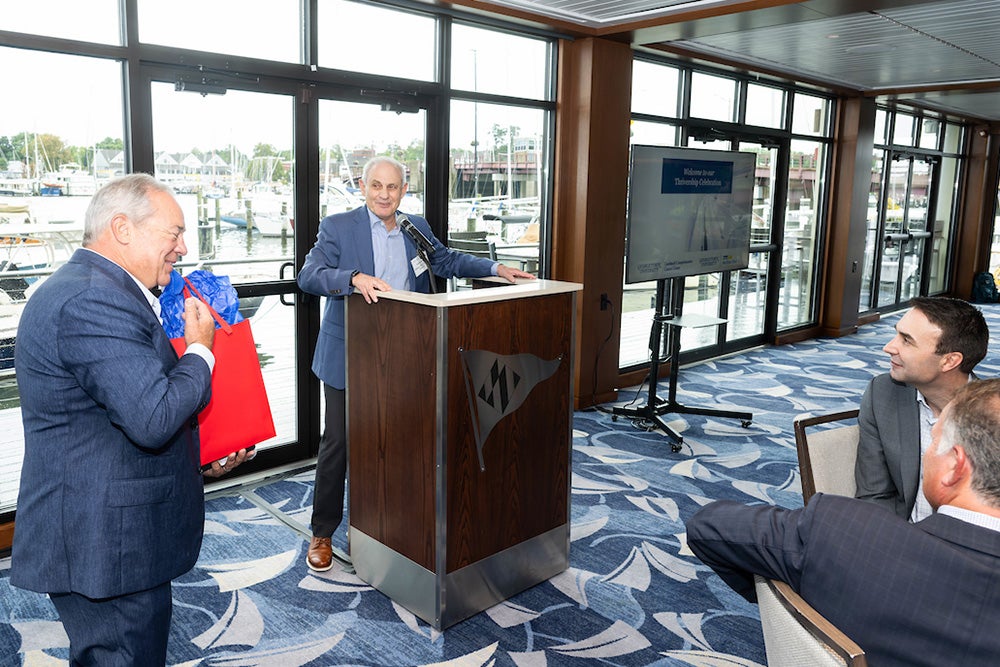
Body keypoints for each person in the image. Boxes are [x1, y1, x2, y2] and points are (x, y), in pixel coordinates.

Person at [11, 174, 252, 666]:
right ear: (122, 228)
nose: (184, 247)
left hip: (109, 525)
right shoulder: (92, 300)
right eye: (174, 233)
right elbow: (151, 415)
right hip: (106, 541)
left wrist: (200, 462)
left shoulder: (95, 287)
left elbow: (112, 416)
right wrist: (203, 350)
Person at [297, 156, 535, 572]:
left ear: (404, 190)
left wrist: (496, 268)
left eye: (392, 187)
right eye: (376, 186)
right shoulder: (338, 226)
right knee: (340, 444)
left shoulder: (415, 226)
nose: (384, 195)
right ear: (363, 187)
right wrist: (352, 278)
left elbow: (446, 261)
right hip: (348, 356)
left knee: (399, 444)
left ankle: (389, 526)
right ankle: (322, 532)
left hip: (406, 356)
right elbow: (310, 274)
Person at [687, 378, 1000, 667]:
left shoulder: (841, 531)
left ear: (955, 466)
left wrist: (792, 598)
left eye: (933, 442)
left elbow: (707, 526)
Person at [854, 296, 988, 521]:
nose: (889, 347)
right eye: (897, 333)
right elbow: (874, 494)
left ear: (949, 361)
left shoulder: (993, 416)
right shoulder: (883, 393)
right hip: (900, 540)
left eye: (906, 340)